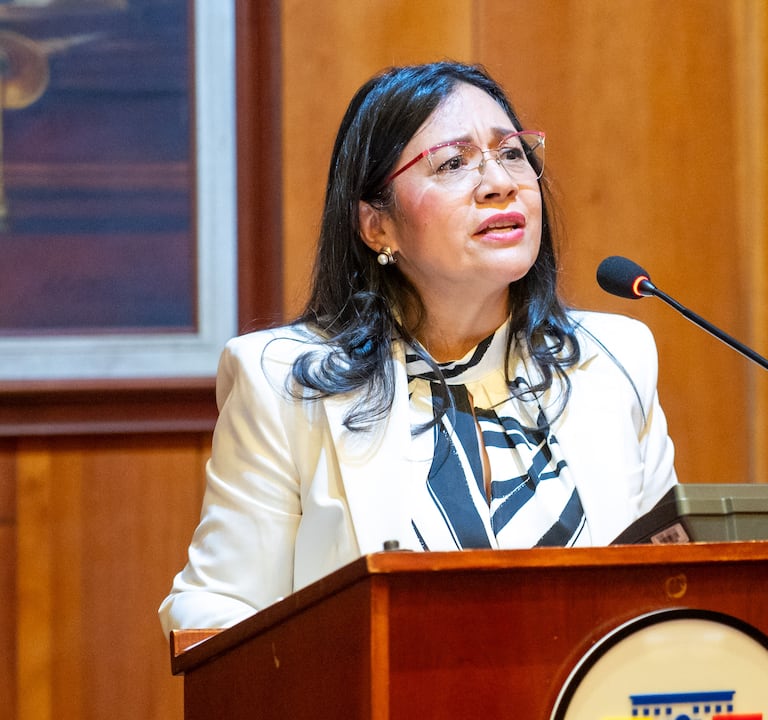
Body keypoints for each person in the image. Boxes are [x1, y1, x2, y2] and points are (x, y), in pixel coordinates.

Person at [159, 61, 678, 634]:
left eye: (511, 153)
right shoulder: (284, 382)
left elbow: (673, 584)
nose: (501, 182)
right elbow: (217, 609)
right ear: (377, 226)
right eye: (453, 163)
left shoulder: (613, 359)